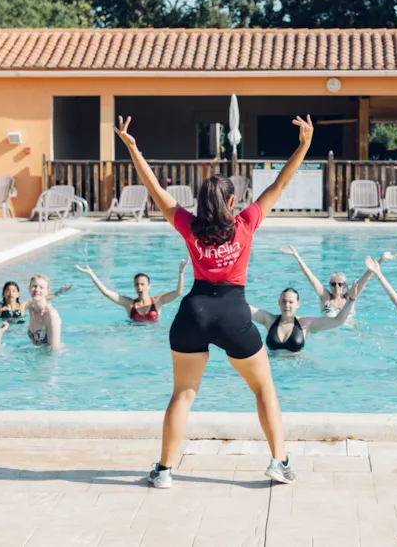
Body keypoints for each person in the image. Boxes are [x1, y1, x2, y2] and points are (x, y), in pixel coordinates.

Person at [113, 112, 314, 489]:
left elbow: (155, 188)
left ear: (201, 201)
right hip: (233, 313)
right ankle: (279, 461)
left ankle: (164, 471)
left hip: (193, 311)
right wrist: (303, 145)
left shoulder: (188, 225)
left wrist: (133, 148)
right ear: (234, 201)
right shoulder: (247, 222)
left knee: (183, 394)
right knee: (263, 388)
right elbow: (280, 184)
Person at [249, 282, 362, 353]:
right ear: (279, 303)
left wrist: (351, 300)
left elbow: (338, 321)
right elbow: (243, 308)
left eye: (291, 302)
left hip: (298, 372)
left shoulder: (305, 323)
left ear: (297, 304)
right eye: (283, 301)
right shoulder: (269, 320)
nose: (287, 305)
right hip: (273, 371)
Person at [280, 247, 397, 316]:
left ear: (345, 285)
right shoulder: (325, 298)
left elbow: (367, 276)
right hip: (328, 336)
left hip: (349, 335)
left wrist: (381, 259)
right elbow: (310, 276)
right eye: (333, 284)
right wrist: (297, 256)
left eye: (340, 284)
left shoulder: (351, 296)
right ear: (329, 285)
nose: (337, 286)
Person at [75, 261, 187, 322]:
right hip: (134, 341)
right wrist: (91, 274)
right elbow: (106, 292)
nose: (139, 287)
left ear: (149, 286)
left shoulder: (158, 301)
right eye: (137, 284)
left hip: (154, 339)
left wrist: (181, 273)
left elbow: (178, 292)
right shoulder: (129, 304)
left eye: (142, 284)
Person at [0, 276, 72, 324]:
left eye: (14, 291)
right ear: (4, 294)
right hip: (5, 335)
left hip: (20, 334)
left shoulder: (23, 306)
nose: (11, 293)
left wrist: (58, 293)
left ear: (18, 294)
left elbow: (43, 297)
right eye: (8, 291)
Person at [25, 274, 62, 347]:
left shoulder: (51, 315)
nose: (37, 289)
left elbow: (54, 349)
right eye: (34, 286)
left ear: (47, 291)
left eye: (41, 287)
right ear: (29, 288)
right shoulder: (31, 310)